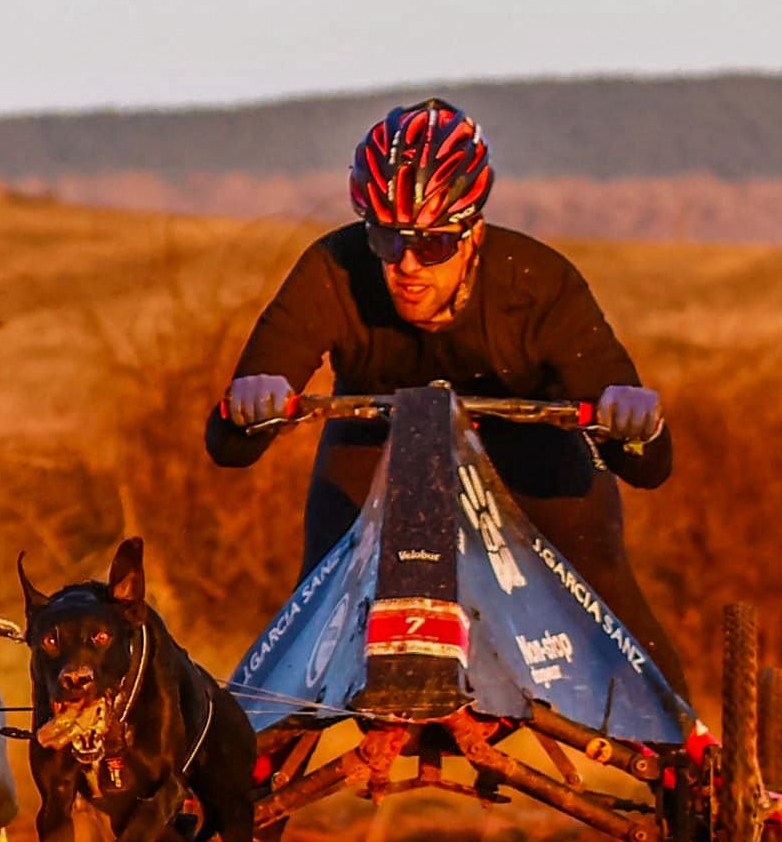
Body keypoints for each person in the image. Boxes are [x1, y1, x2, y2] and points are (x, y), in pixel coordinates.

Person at [205, 98, 688, 693]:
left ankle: (686, 762)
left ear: (473, 233)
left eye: (432, 245)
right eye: (384, 240)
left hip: (528, 448)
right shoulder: (333, 269)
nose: (406, 265)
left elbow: (649, 466)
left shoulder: (538, 284)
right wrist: (252, 406)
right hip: (376, 437)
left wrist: (637, 426)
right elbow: (227, 444)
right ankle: (240, 760)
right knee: (316, 598)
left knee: (602, 588)